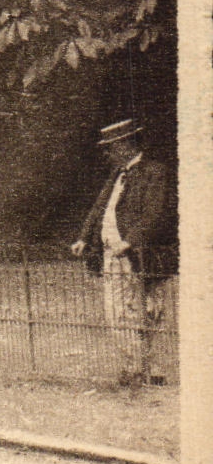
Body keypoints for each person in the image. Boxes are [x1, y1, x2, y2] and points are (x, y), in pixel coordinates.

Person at [70, 119, 176, 385]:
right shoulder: (117, 174)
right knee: (118, 312)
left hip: (141, 254)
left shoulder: (155, 172)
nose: (107, 154)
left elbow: (156, 212)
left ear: (126, 145)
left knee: (150, 310)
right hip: (113, 257)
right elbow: (100, 208)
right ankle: (136, 369)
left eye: (111, 148)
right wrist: (84, 237)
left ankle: (151, 370)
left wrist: (129, 241)